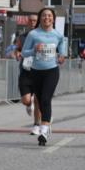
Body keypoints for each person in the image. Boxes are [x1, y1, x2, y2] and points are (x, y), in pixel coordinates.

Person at [20, 8, 66, 146]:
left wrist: (61, 57)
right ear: (40, 18)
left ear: (53, 18)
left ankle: (44, 130)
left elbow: (62, 51)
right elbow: (23, 53)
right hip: (36, 71)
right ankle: (43, 125)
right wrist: (34, 50)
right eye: (44, 15)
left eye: (50, 15)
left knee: (46, 99)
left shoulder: (58, 35)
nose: (47, 18)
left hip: (51, 71)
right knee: (39, 100)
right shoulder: (33, 34)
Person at [15, 13, 42, 135]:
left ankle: (37, 125)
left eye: (35, 21)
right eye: (30, 21)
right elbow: (17, 49)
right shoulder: (22, 37)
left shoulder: (43, 35)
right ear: (27, 22)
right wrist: (16, 53)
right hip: (25, 71)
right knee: (26, 101)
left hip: (39, 71)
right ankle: (28, 103)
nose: (32, 23)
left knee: (38, 100)